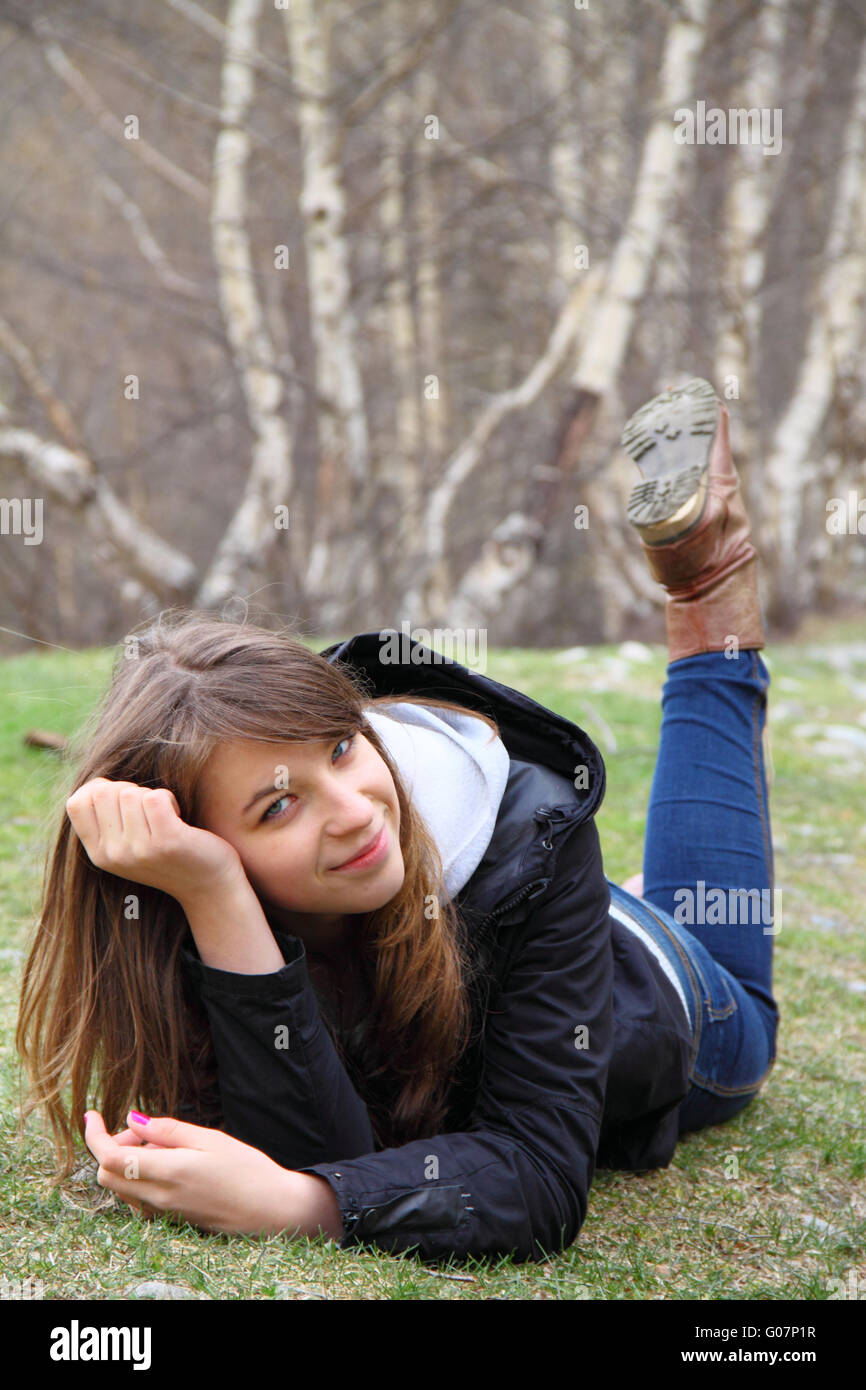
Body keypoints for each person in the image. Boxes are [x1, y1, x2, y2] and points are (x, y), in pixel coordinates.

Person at [16, 377, 778, 1264]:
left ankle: (707, 583)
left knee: (737, 992)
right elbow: (314, 1133)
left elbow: (535, 1174)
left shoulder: (528, 827)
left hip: (652, 989)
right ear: (195, 844)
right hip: (542, 924)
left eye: (341, 747)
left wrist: (303, 1205)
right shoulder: (185, 898)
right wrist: (218, 895)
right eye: (278, 805)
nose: (355, 810)